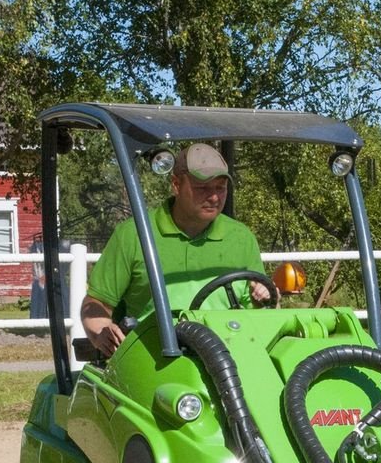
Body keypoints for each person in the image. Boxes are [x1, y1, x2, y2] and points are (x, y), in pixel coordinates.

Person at [80, 142, 268, 356]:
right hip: (153, 356)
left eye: (220, 188)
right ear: (176, 185)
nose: (214, 197)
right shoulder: (134, 234)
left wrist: (266, 298)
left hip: (229, 354)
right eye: (203, 188)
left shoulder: (241, 237)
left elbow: (261, 309)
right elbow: (96, 303)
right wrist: (101, 331)